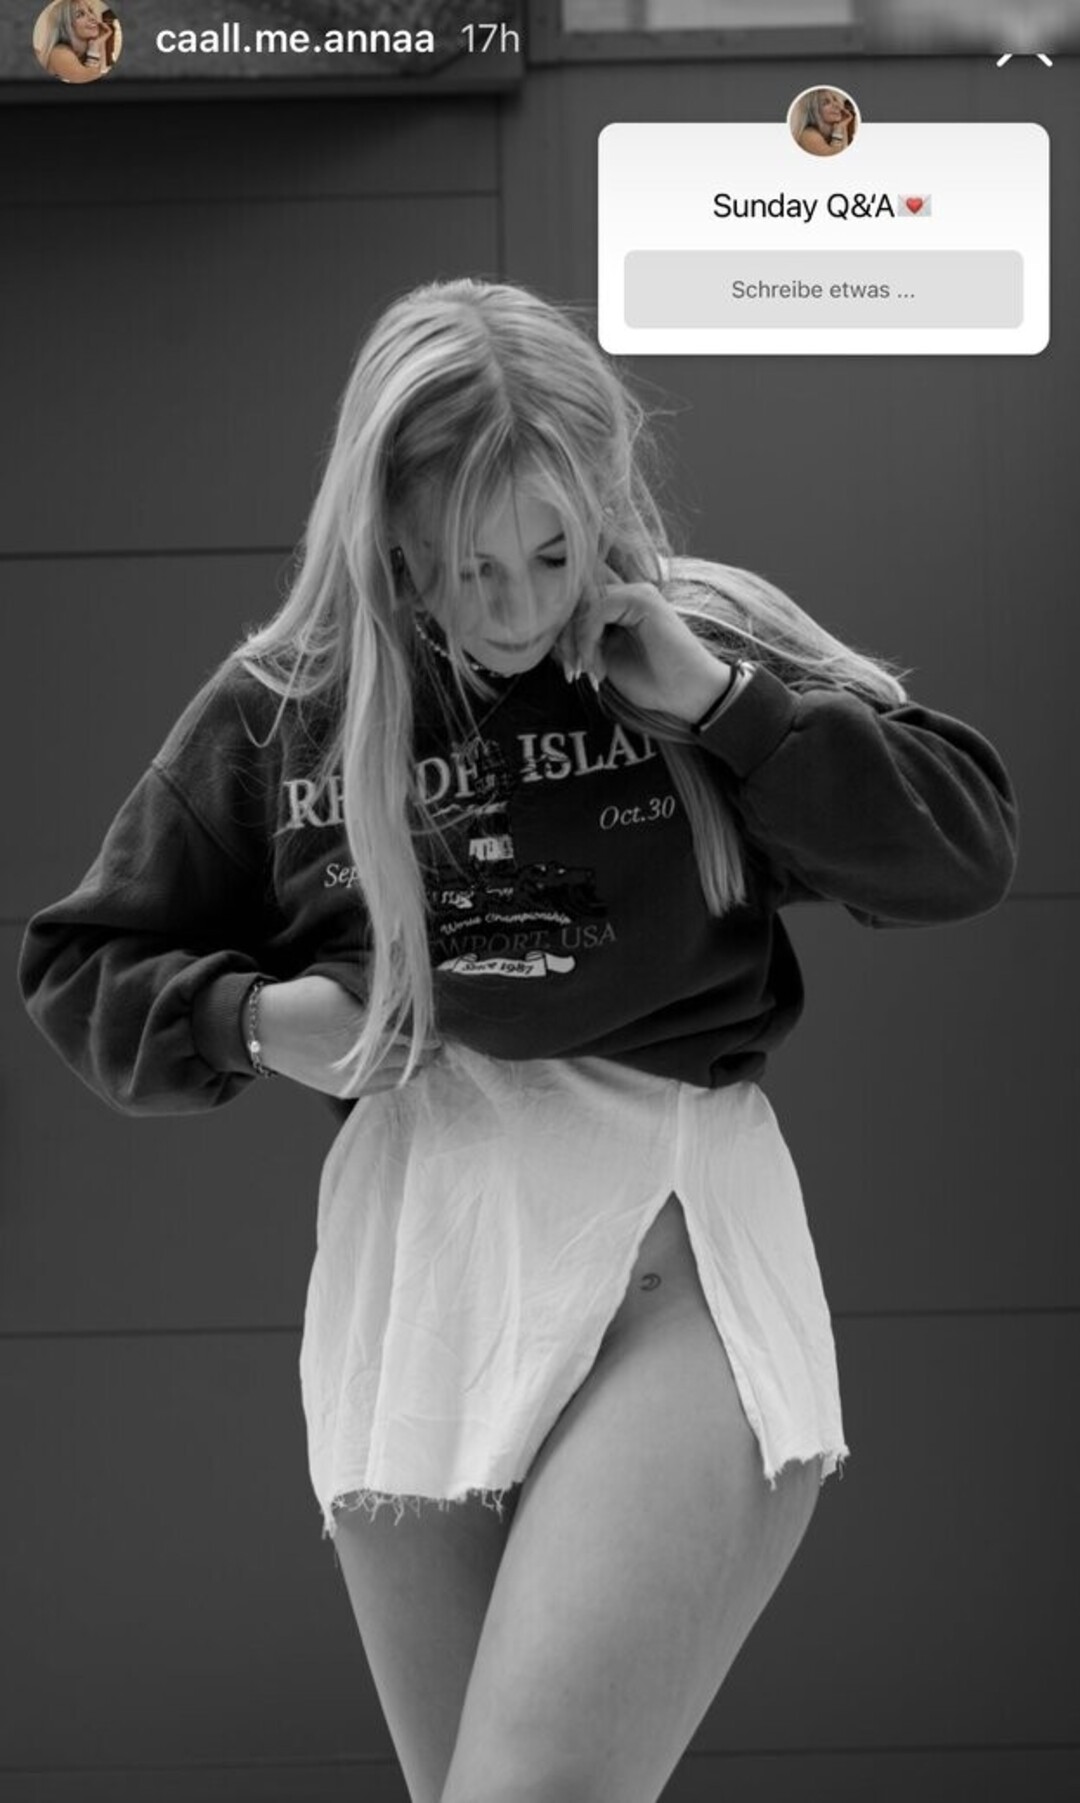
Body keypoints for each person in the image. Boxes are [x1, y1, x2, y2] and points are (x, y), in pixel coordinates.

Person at [18, 278, 1018, 1803]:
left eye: (550, 553)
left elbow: (960, 850)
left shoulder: (704, 632)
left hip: (671, 1259)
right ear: (389, 533)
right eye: (463, 565)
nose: (511, 607)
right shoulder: (290, 700)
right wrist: (252, 1019)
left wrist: (725, 705)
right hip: (418, 1265)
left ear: (605, 499)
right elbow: (81, 964)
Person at [35, 0, 115, 82]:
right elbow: (90, 80)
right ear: (65, 25)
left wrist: (97, 44)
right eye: (80, 15)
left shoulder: (83, 51)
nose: (93, 17)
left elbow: (99, 74)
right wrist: (94, 49)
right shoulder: (59, 53)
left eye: (91, 11)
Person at [791, 87, 857, 155]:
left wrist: (842, 125)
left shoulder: (837, 127)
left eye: (835, 100)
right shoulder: (808, 135)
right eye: (826, 103)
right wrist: (838, 131)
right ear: (814, 112)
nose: (837, 105)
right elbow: (835, 157)